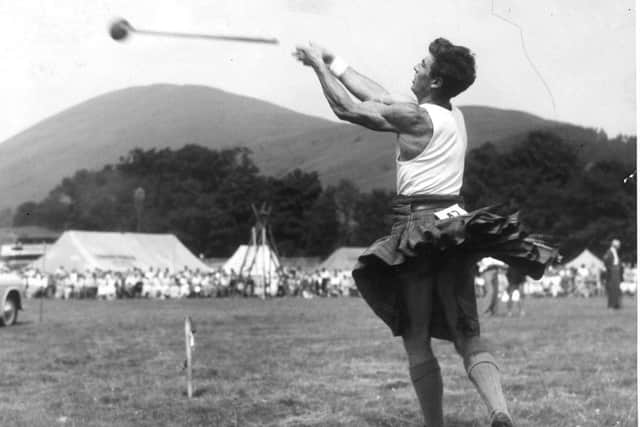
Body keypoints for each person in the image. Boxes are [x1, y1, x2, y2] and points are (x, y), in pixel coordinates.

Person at [294, 38, 557, 427]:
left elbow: (348, 108)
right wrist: (337, 62)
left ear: (433, 81)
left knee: (416, 339)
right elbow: (382, 96)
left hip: (418, 230)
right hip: (456, 229)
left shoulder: (416, 119)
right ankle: (499, 411)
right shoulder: (455, 116)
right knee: (468, 334)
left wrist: (317, 64)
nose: (414, 68)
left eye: (421, 65)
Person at [603, 238, 623, 309]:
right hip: (613, 271)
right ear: (615, 245)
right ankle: (612, 304)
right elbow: (606, 261)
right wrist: (610, 269)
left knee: (616, 288)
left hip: (616, 271)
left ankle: (616, 304)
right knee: (613, 288)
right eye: (619, 245)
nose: (619, 247)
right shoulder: (609, 252)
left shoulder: (614, 251)